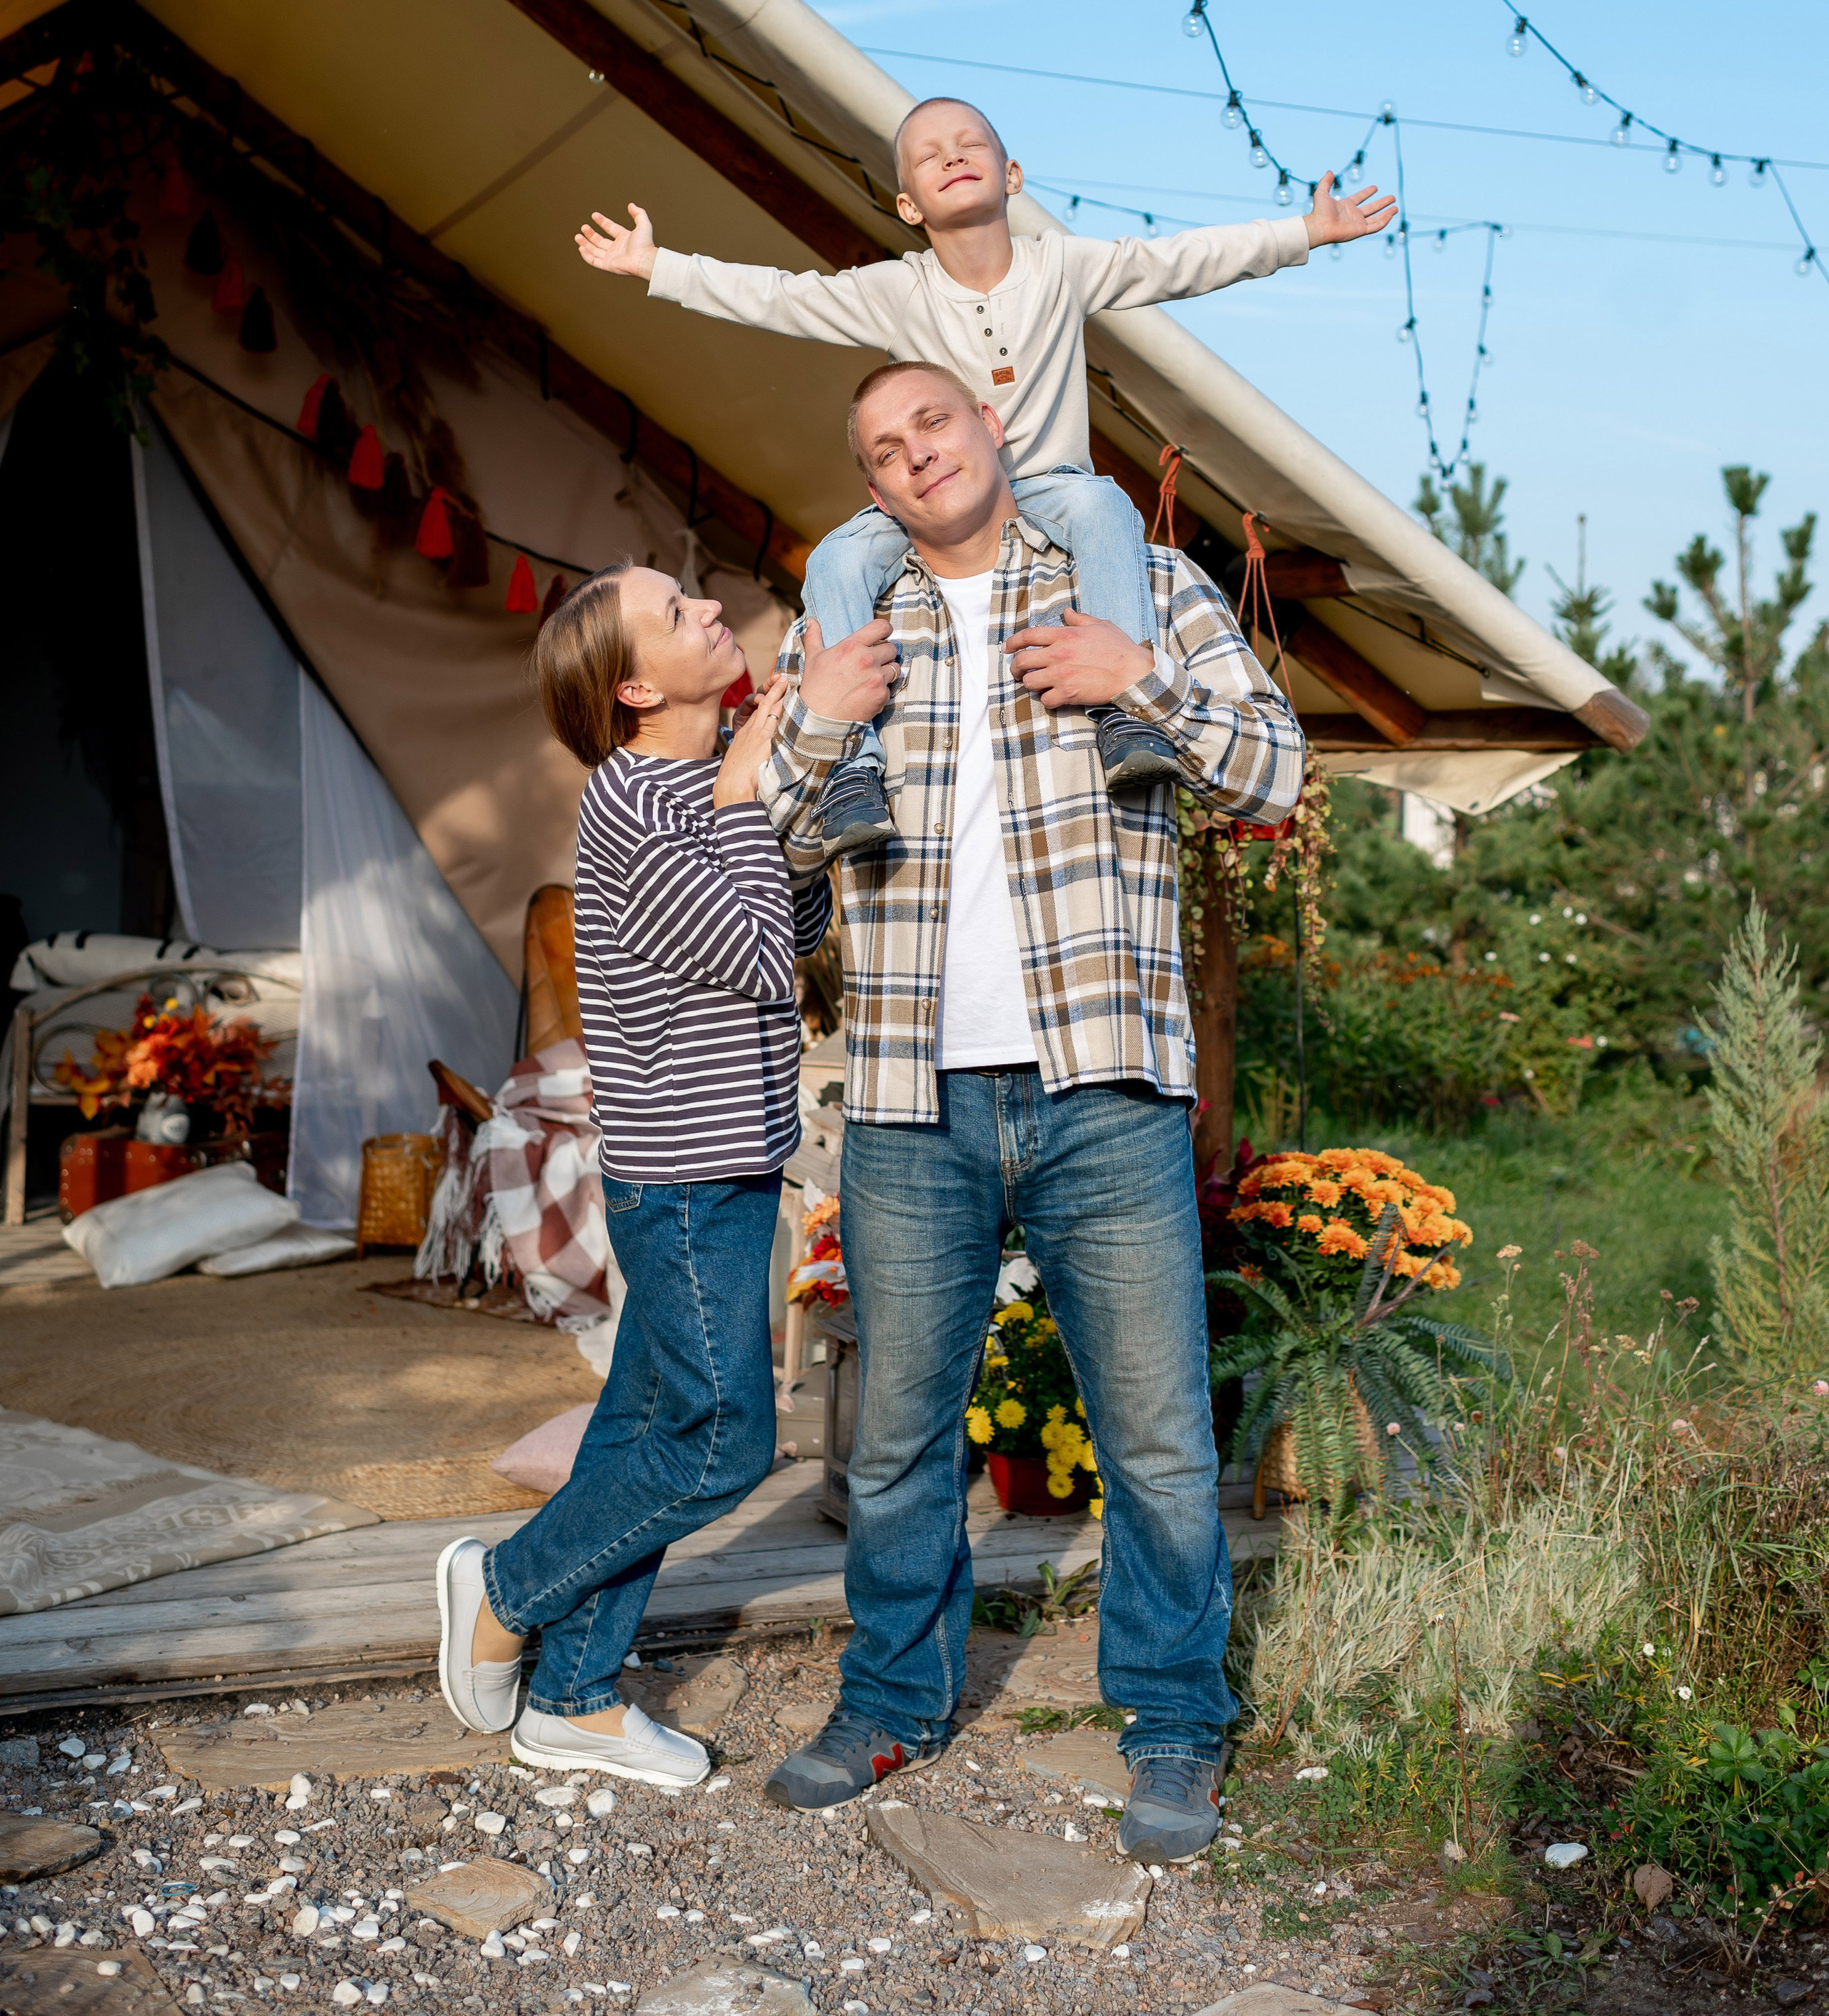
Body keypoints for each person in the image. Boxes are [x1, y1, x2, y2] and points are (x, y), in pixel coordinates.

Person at [751, 359, 1305, 1861]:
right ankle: (891, 1702)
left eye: (933, 421)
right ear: (872, 488)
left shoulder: (1143, 585)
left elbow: (1276, 769)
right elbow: (772, 855)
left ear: (992, 428)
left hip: (1103, 1082)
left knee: (1158, 1442)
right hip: (906, 1094)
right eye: (883, 449)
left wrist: (1138, 679)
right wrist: (817, 723)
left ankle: (1174, 1723)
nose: (915, 454)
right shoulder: (847, 619)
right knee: (894, 1441)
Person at [576, 94, 1387, 858]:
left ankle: (1125, 718)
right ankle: (854, 765)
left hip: (1050, 485)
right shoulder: (898, 289)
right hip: (932, 499)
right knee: (836, 557)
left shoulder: (1061, 266)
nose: (952, 155)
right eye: (929, 155)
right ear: (908, 205)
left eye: (970, 144)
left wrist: (1305, 232)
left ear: (1012, 175)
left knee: (1105, 506)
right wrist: (658, 266)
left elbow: (1181, 259)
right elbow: (781, 296)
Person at [435, 566, 827, 1779]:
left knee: (640, 1430)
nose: (710, 610)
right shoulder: (635, 802)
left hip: (729, 1161)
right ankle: (506, 1586)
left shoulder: (696, 787)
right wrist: (751, 788)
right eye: (677, 612)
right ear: (638, 688)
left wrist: (775, 795)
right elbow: (761, 953)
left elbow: (796, 929)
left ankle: (574, 1696)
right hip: (690, 1178)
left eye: (696, 594)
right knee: (722, 1444)